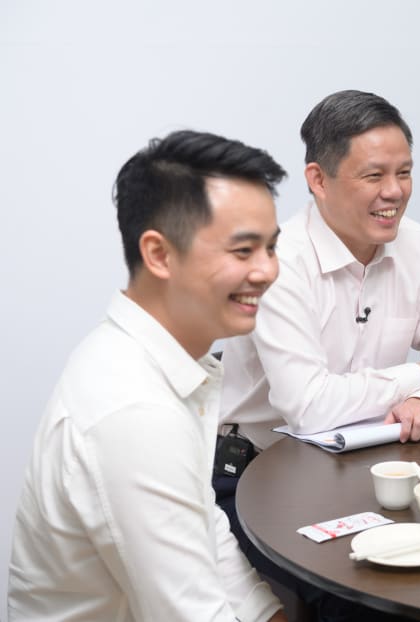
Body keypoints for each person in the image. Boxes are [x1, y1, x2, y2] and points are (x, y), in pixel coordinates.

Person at [8, 130, 289, 621]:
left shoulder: (161, 361)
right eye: (244, 251)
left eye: (271, 247)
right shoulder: (134, 410)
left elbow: (207, 532)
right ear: (159, 254)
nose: (267, 270)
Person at [219, 89, 420, 451]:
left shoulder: (419, 246)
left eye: (403, 173)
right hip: (261, 465)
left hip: (373, 450)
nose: (394, 191)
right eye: (374, 176)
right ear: (319, 180)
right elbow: (309, 407)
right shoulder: (275, 263)